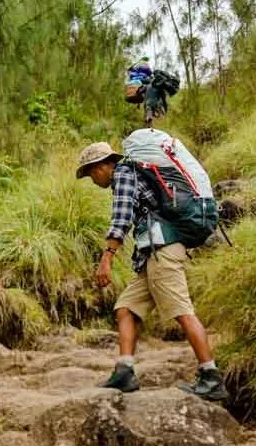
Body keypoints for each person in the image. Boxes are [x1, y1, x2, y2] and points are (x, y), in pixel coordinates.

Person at [76, 141, 229, 402]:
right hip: (152, 254)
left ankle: (211, 377)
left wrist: (107, 256)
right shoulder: (135, 173)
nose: (92, 180)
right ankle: (124, 372)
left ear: (102, 166)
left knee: (181, 311)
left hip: (163, 251)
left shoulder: (123, 173)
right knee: (126, 308)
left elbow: (121, 215)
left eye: (91, 173)